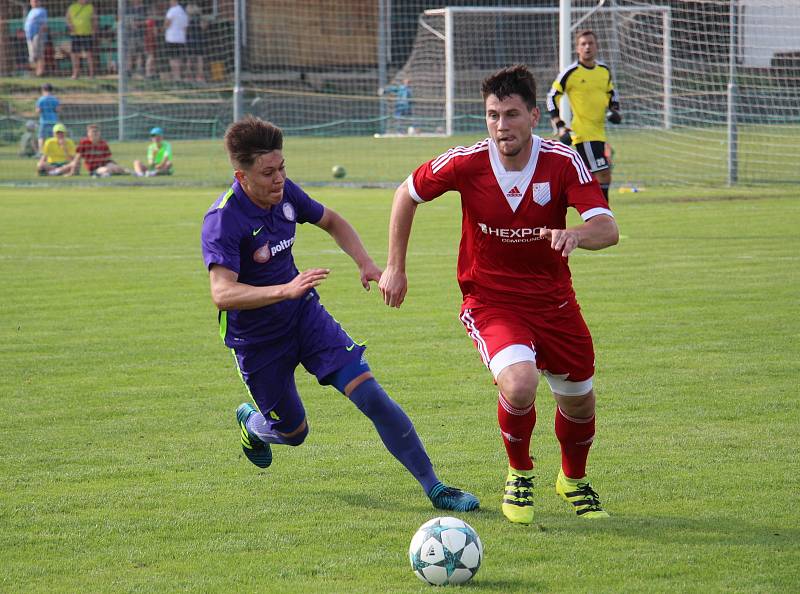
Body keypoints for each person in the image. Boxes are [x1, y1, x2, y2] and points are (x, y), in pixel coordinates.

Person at [200, 115, 479, 513]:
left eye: (282, 168)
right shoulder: (223, 220)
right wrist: (285, 289)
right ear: (241, 177)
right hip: (257, 341)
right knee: (293, 432)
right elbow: (222, 292)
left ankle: (435, 487)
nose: (279, 179)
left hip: (303, 318)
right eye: (268, 173)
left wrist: (366, 263)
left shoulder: (286, 195)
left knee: (371, 395)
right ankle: (253, 424)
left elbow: (332, 220)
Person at [379, 65, 619, 525]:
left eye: (511, 115)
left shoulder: (562, 161)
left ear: (533, 115)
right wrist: (395, 266)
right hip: (490, 300)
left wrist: (575, 235)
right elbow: (406, 193)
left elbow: (607, 229)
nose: (501, 126)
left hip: (554, 302)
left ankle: (573, 481)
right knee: (520, 381)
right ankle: (519, 472)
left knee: (579, 401)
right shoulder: (467, 161)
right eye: (492, 115)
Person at [547, 30, 621, 202]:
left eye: (590, 43)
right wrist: (559, 124)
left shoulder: (604, 71)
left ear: (596, 46)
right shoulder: (571, 72)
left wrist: (615, 110)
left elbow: (612, 93)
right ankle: (603, 217)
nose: (587, 47)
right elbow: (552, 97)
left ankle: (597, 217)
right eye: (583, 44)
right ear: (577, 49)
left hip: (600, 133)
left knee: (594, 177)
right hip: (584, 134)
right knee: (602, 173)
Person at [66, 0, 97, 79]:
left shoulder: (90, 7)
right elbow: (68, 18)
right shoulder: (72, 7)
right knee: (74, 54)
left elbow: (94, 20)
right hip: (75, 34)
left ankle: (91, 74)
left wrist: (94, 30)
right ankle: (75, 73)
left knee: (89, 54)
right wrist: (70, 26)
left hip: (87, 34)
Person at [164, 0, 189, 81]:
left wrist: (163, 28)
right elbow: (185, 27)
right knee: (178, 58)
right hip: (181, 38)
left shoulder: (172, 10)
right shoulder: (183, 11)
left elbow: (167, 23)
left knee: (172, 58)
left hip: (172, 38)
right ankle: (178, 76)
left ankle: (175, 77)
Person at [24, 0, 48, 77]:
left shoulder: (42, 11)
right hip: (29, 36)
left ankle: (40, 72)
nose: (34, 3)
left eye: (36, 1)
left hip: (37, 35)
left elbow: (44, 24)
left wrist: (39, 34)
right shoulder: (31, 11)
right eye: (33, 1)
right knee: (32, 55)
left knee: (38, 54)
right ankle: (34, 72)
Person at [124, 0, 146, 78]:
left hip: (141, 35)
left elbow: (147, 20)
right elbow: (124, 21)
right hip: (130, 35)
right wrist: (130, 24)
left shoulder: (144, 9)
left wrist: (139, 24)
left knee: (140, 53)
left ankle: (139, 70)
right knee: (130, 53)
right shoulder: (129, 9)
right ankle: (128, 71)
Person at [35, 83, 60, 153]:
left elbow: (38, 110)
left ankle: (41, 152)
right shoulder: (55, 99)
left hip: (44, 121)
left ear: (43, 90)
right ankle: (55, 151)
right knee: (54, 137)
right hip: (53, 121)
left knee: (41, 137)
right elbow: (58, 110)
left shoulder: (41, 99)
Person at [185, 4, 207, 83]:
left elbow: (204, 26)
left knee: (193, 58)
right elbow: (204, 27)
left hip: (193, 39)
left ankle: (194, 76)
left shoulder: (192, 18)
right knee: (196, 58)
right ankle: (196, 76)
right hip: (195, 39)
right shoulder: (189, 18)